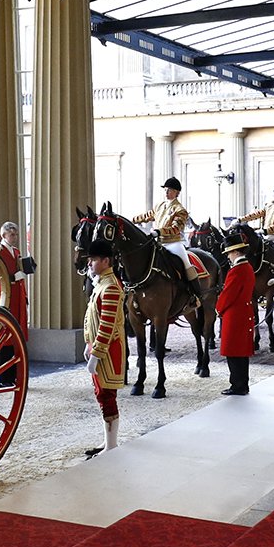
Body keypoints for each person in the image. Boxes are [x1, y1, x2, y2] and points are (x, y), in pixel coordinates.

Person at [80, 239, 126, 458]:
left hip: (107, 352)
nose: (90, 264)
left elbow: (107, 326)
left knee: (107, 395)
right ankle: (108, 440)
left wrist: (96, 353)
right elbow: (92, 319)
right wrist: (88, 344)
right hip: (98, 349)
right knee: (102, 395)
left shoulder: (110, 287)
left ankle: (112, 444)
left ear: (106, 261)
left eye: (94, 260)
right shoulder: (101, 283)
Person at [0, 221, 28, 386]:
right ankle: (5, 379)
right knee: (5, 337)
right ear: (4, 235)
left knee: (17, 337)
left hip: (18, 298)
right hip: (6, 297)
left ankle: (17, 377)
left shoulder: (16, 251)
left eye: (15, 234)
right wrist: (11, 278)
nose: (15, 237)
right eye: (12, 234)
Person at [216, 230, 256, 395]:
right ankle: (241, 384)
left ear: (235, 251)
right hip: (243, 312)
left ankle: (237, 385)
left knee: (233, 352)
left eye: (229, 253)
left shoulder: (237, 270)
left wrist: (218, 308)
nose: (228, 257)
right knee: (241, 352)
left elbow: (228, 294)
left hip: (234, 315)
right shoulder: (247, 267)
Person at [131, 177, 194, 266]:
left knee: (187, 265)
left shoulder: (180, 210)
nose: (166, 192)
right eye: (165, 190)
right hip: (158, 242)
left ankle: (193, 279)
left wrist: (159, 231)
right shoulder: (159, 205)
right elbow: (147, 216)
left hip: (173, 243)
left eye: (169, 190)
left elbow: (175, 229)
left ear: (176, 192)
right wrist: (132, 220)